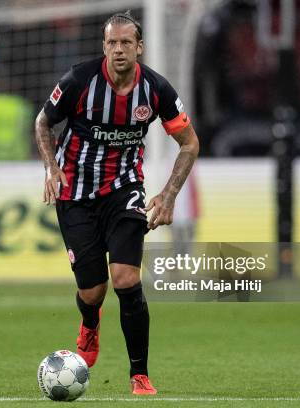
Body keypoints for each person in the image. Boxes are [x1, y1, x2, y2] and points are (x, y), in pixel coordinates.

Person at [34, 11, 199, 395]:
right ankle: (90, 324)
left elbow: (189, 143)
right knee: (93, 290)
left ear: (139, 47)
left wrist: (169, 193)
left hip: (125, 190)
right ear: (104, 46)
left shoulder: (156, 90)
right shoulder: (79, 80)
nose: (119, 49)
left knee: (126, 279)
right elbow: (43, 121)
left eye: (127, 42)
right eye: (112, 42)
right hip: (75, 194)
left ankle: (139, 374)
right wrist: (51, 169)